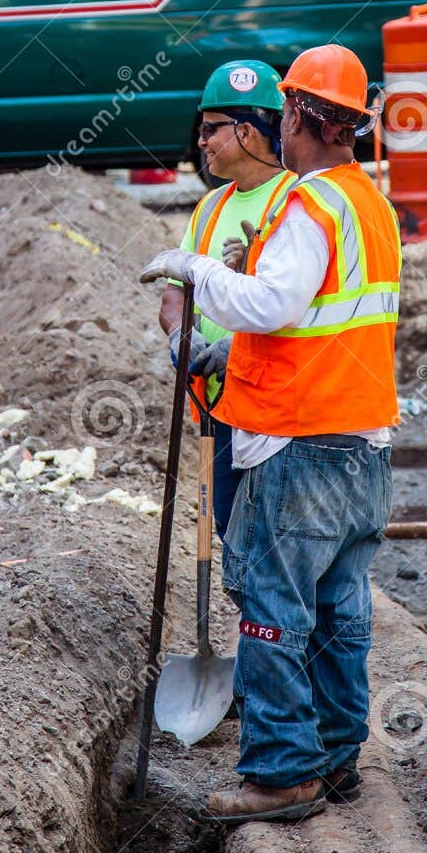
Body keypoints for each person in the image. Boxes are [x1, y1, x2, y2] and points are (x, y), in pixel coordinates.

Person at [141, 44, 400, 825]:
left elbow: (274, 303)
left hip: (298, 440)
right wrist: (227, 352)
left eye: (285, 112)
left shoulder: (310, 206)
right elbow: (321, 318)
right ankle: (333, 757)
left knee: (272, 611)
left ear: (297, 117)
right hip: (360, 441)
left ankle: (284, 772)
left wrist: (192, 269)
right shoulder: (368, 203)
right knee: (338, 609)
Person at [158, 60, 294, 540]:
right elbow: (174, 296)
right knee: (231, 536)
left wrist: (239, 347)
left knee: (274, 546)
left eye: (210, 129)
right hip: (219, 408)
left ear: (247, 132)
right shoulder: (210, 207)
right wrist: (181, 336)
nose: (200, 141)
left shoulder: (297, 201)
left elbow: (298, 304)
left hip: (280, 419)